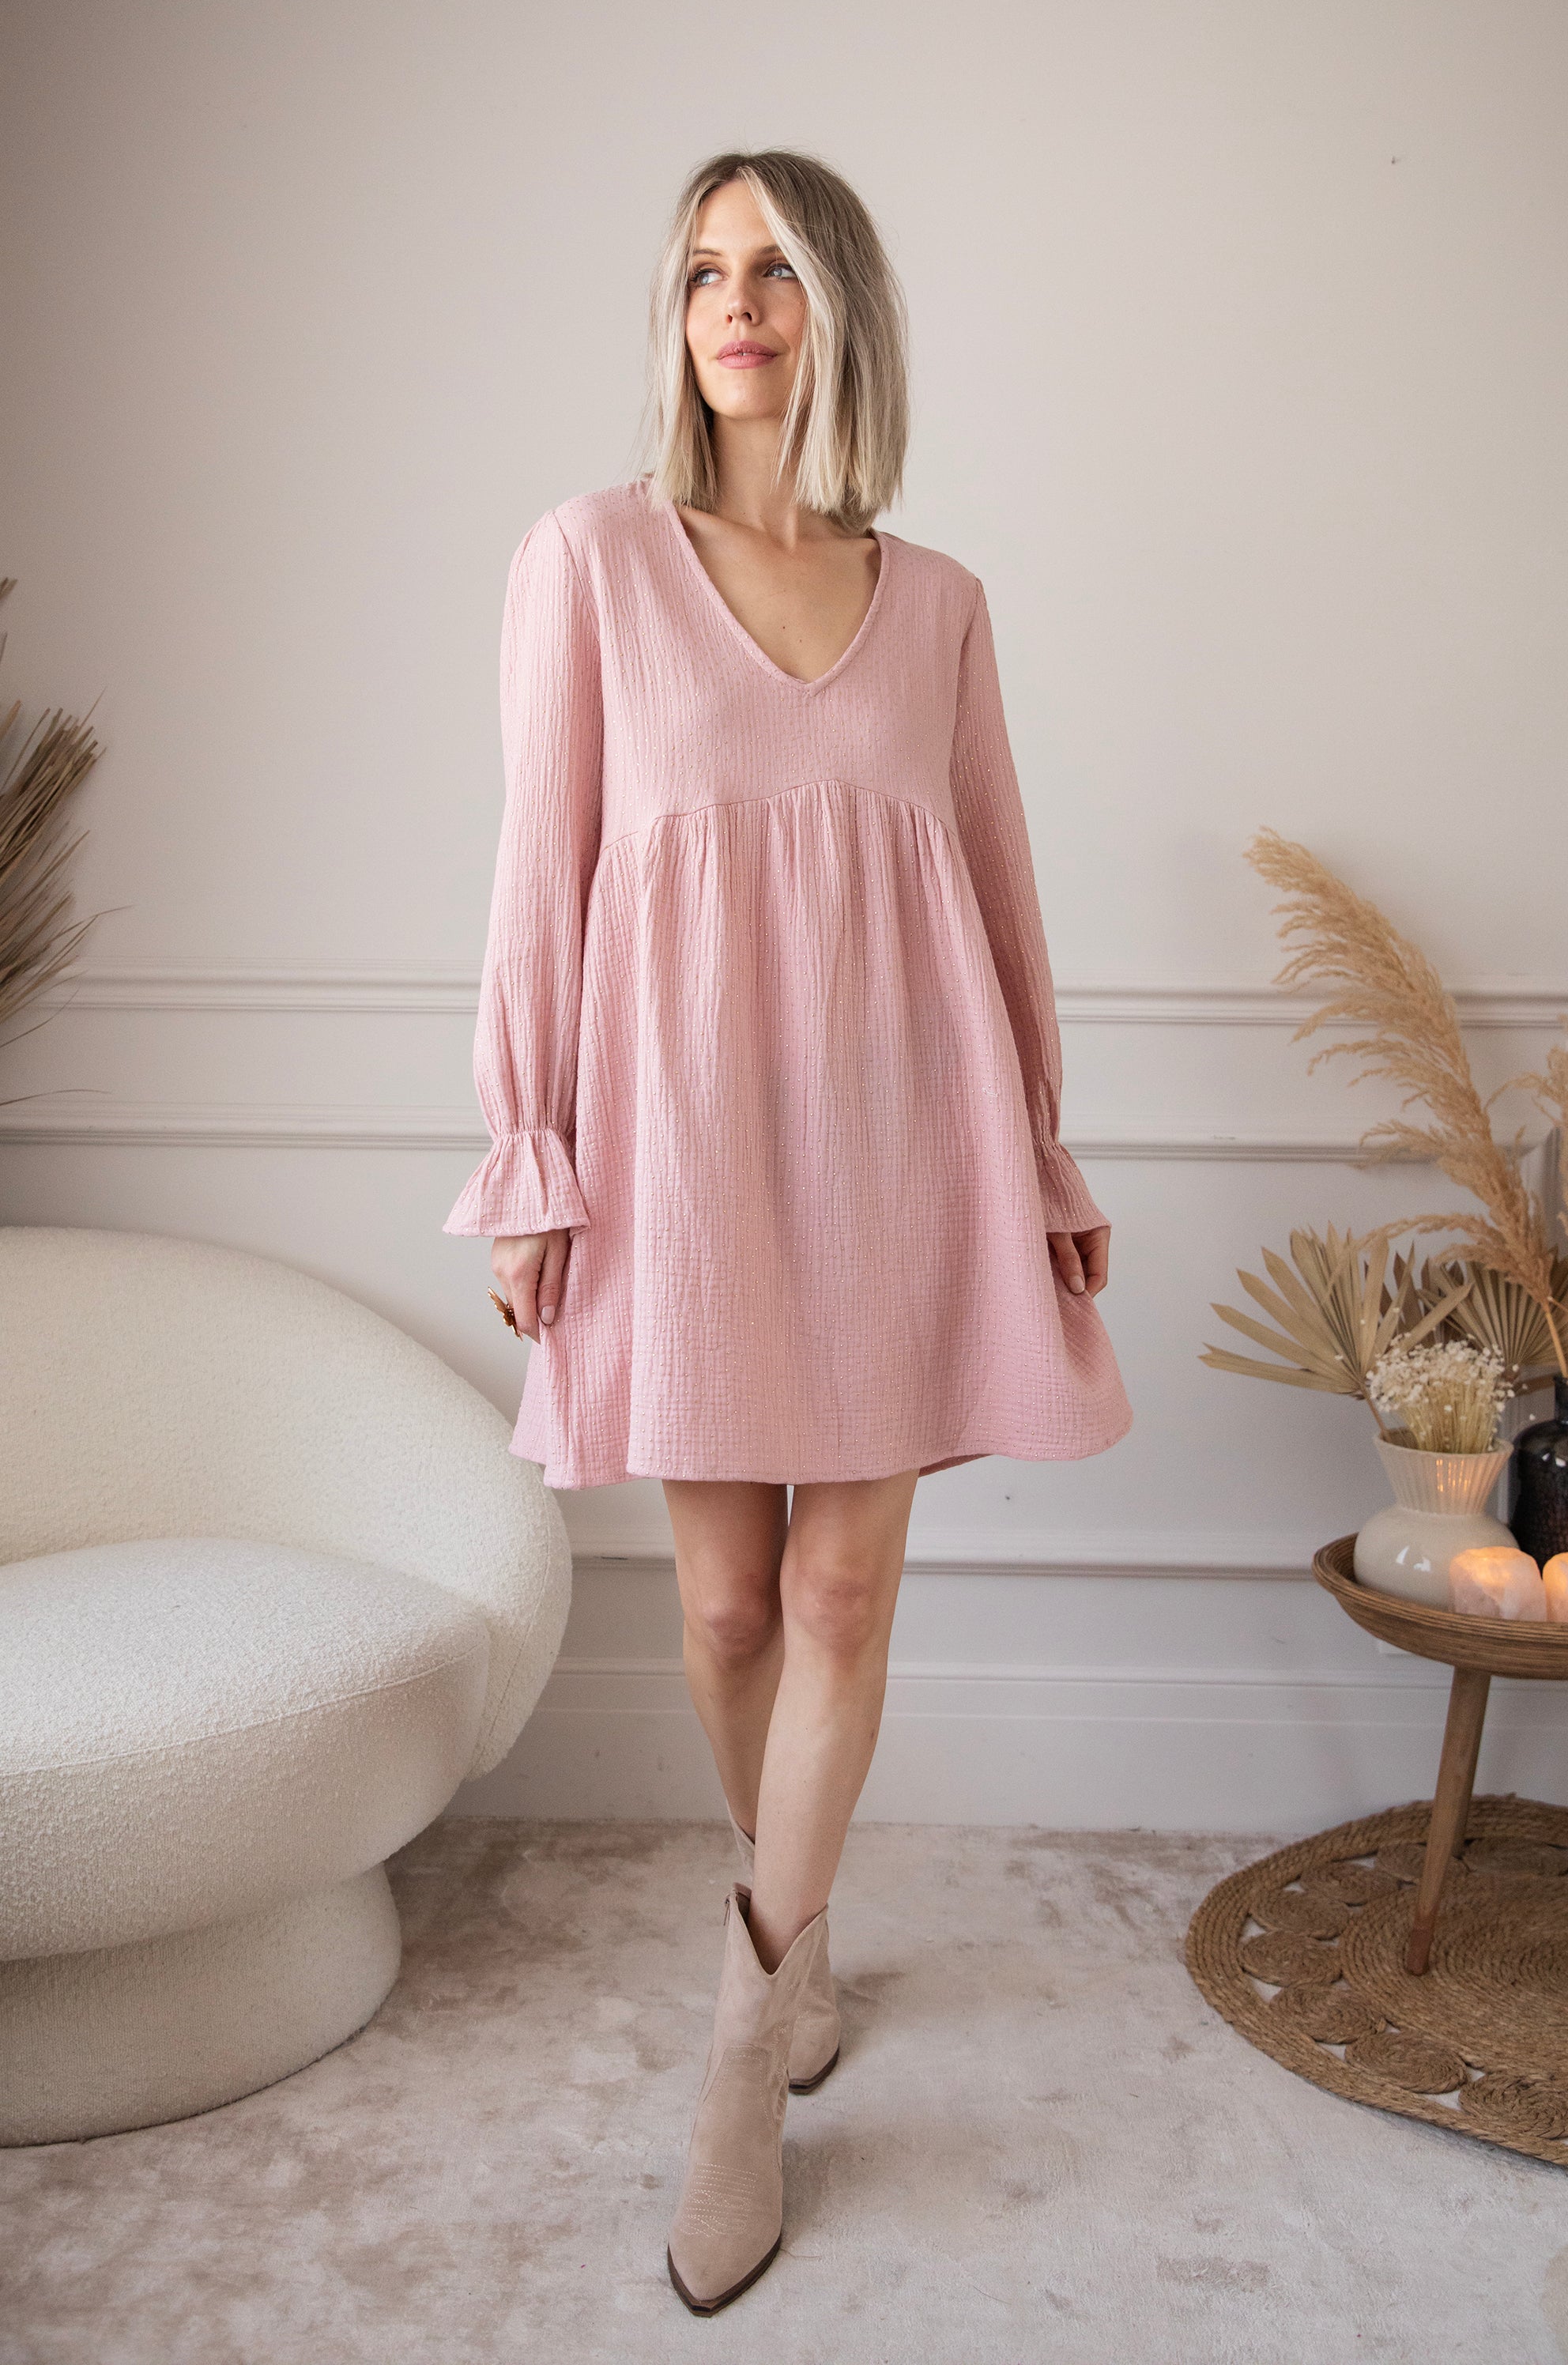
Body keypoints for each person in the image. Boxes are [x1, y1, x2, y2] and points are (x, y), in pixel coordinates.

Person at [442, 145, 1132, 2315]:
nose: (733, 303)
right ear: (677, 320)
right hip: (681, 1158)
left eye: (773, 267)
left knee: (840, 1585)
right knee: (731, 1610)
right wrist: (527, 1153)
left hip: (902, 1151)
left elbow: (999, 896)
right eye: (701, 270)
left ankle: (745, 2046)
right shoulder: (591, 562)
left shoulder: (942, 604)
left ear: (840, 308)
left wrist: (1041, 1155)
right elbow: (541, 874)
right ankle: (800, 1925)